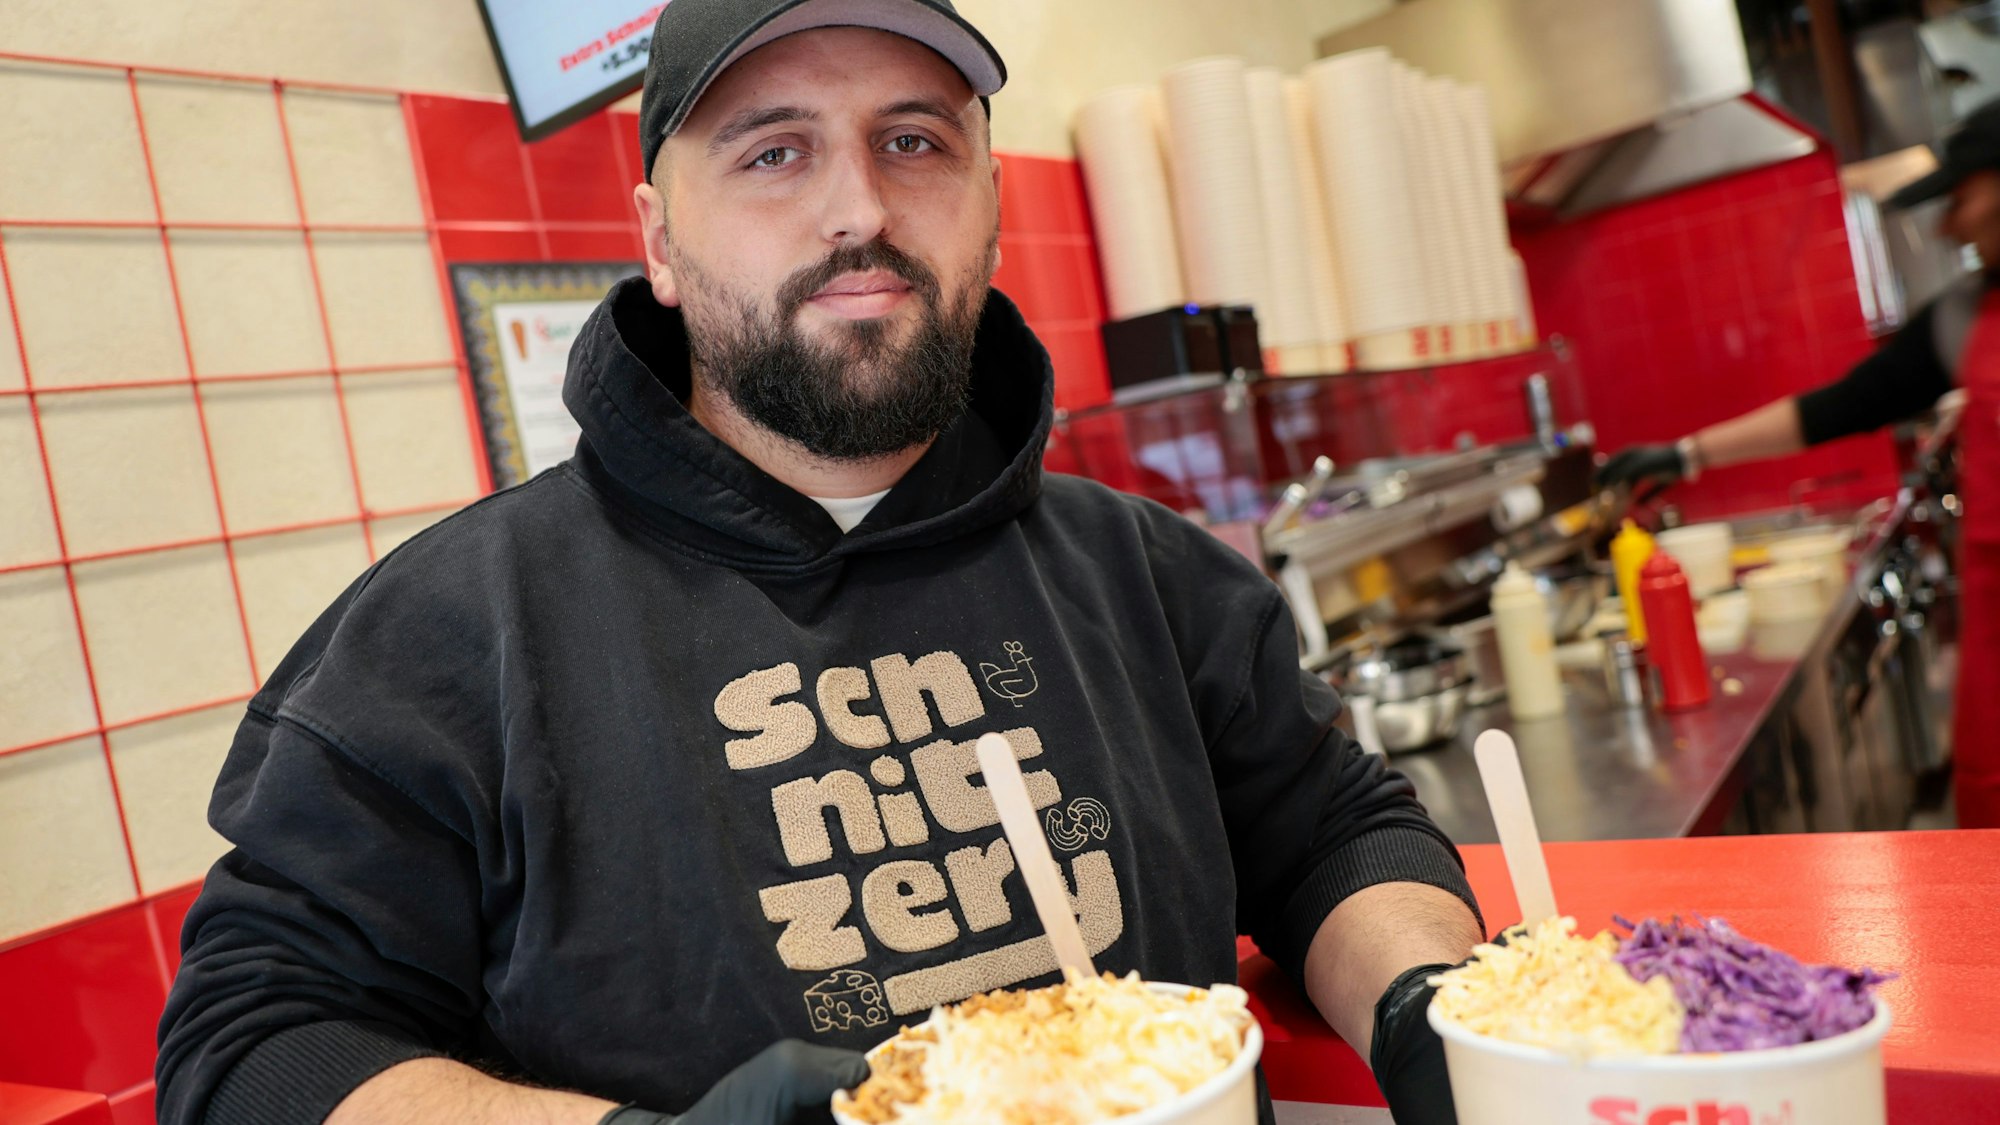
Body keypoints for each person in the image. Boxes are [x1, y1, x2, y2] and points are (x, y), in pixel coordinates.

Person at [155, 2, 1486, 1123]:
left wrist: (1436, 1014)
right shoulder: (452, 635)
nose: (858, 208)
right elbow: (255, 1042)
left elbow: (1338, 837)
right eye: (774, 153)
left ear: (989, 203)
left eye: (913, 141)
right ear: (660, 243)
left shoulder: (1148, 574)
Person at [1596, 97, 2000, 830]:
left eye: (1963, 197)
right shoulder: (1967, 312)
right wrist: (1686, 453)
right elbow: (1841, 405)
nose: (1949, 225)